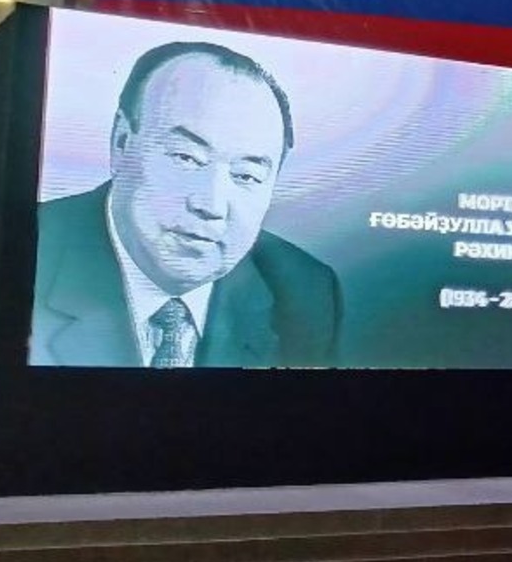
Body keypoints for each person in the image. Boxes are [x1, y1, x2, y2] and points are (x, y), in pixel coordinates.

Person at [30, 41, 341, 368]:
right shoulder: (26, 249)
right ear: (122, 143)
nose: (211, 205)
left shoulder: (303, 292)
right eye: (186, 158)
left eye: (246, 176)